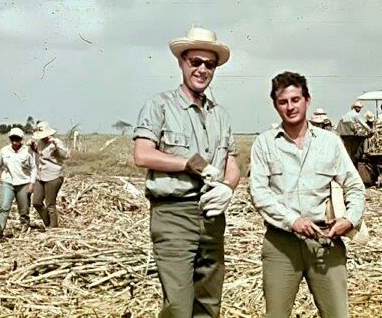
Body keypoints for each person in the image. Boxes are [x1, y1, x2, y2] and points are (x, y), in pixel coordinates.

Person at [133, 26, 240, 317]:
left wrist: (228, 187)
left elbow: (232, 162)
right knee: (179, 306)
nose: (203, 69)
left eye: (210, 64)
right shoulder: (159, 106)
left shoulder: (220, 115)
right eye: (196, 62)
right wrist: (187, 163)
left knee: (208, 303)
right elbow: (142, 154)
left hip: (212, 217)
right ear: (182, 61)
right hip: (173, 215)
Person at [250, 72, 365, 318]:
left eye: (295, 99)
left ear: (307, 100)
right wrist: (293, 220)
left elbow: (355, 186)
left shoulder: (330, 142)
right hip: (281, 243)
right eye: (283, 102)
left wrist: (350, 219)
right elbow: (259, 193)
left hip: (326, 241)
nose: (290, 107)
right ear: (275, 105)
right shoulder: (264, 144)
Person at [0, 128, 36, 236]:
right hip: (8, 182)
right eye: (12, 138)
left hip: (24, 183)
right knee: (4, 207)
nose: (15, 141)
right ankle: (0, 231)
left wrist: (32, 183)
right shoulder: (4, 150)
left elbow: (34, 168)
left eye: (17, 139)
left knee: (24, 209)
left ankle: (25, 229)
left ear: (21, 139)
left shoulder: (28, 151)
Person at [29, 121, 70, 228]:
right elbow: (39, 154)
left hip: (54, 176)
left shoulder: (56, 142)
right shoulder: (41, 143)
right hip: (41, 175)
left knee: (50, 204)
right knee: (36, 202)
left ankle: (53, 227)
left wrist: (57, 144)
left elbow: (65, 155)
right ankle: (48, 223)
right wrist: (33, 146)